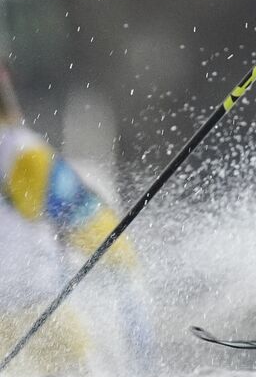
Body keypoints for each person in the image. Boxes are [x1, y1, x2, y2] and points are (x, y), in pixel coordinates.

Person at [0, 59, 156, 373]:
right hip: (33, 310)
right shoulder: (20, 150)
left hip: (30, 310)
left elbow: (79, 216)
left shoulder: (20, 152)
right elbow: (88, 222)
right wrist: (122, 264)